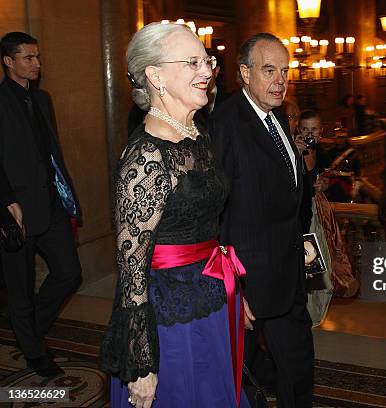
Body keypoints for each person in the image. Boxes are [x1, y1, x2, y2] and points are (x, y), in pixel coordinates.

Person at [99, 23, 249, 408]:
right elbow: (131, 269)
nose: (206, 71)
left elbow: (210, 224)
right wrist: (142, 361)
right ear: (155, 75)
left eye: (207, 60)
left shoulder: (196, 135)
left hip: (212, 295)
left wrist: (233, 288)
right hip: (170, 322)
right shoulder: (146, 157)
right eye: (192, 62)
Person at [210, 33, 313, 407]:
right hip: (248, 281)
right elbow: (215, 211)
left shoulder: (279, 117)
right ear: (243, 72)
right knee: (238, 377)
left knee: (298, 366)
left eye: (285, 71)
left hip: (288, 273)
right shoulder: (225, 124)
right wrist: (230, 287)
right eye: (269, 70)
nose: (280, 80)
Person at [0, 32, 82, 378]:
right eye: (28, 58)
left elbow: (51, 152)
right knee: (21, 285)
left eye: (37, 57)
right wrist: (7, 201)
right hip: (13, 209)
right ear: (9, 61)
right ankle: (34, 351)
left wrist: (66, 197)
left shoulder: (43, 99)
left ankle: (29, 329)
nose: (36, 64)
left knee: (69, 272)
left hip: (50, 204)